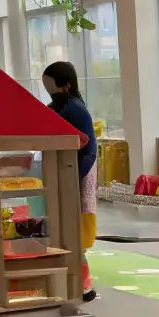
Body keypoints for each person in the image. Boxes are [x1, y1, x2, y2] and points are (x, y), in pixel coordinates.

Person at [43, 61, 98, 302]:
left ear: (66, 86)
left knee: (74, 231)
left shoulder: (75, 110)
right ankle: (73, 283)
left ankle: (83, 286)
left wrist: (74, 178)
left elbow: (89, 150)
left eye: (52, 87)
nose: (49, 93)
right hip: (62, 174)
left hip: (76, 175)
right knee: (64, 230)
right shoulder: (58, 106)